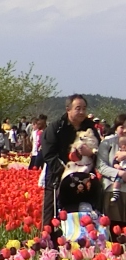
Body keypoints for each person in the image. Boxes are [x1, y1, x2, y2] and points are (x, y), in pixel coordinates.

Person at [38, 95, 101, 229]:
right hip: (59, 176)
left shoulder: (90, 128)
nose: (82, 112)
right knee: (52, 212)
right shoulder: (56, 128)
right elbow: (49, 155)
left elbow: (99, 151)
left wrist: (90, 154)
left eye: (84, 108)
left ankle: (84, 239)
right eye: (78, 108)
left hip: (85, 177)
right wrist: (66, 173)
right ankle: (49, 241)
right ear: (68, 109)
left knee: (86, 209)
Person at [97, 114, 126, 226]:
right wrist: (119, 173)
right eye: (122, 127)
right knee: (114, 226)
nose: (125, 130)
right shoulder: (107, 143)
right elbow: (101, 166)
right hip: (112, 188)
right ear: (116, 127)